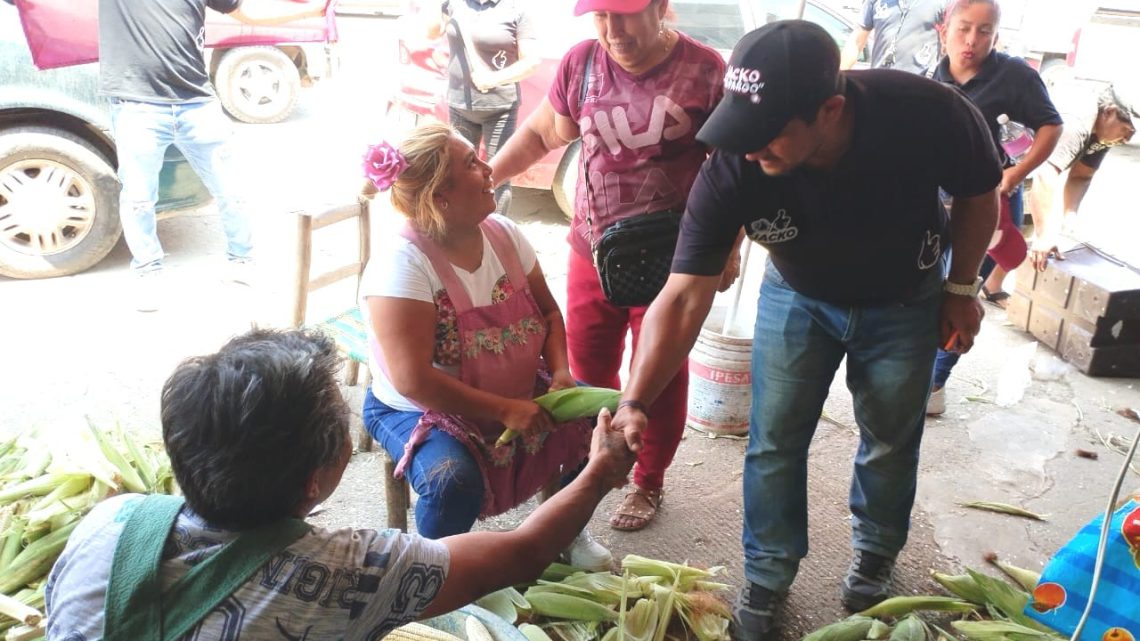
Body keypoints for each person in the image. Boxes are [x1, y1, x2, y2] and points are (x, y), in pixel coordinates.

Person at [607, 20, 1001, 638]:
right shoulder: (735, 164)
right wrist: (636, 400)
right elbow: (683, 296)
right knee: (773, 442)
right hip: (798, 296)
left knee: (892, 439)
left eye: (765, 136)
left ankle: (875, 556)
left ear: (830, 109)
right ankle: (766, 578)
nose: (749, 150)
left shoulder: (927, 113)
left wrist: (961, 289)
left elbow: (981, 194)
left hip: (905, 297)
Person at [44, 328, 636, 640]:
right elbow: (525, 552)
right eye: (341, 424)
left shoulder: (108, 523)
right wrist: (599, 473)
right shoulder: (342, 576)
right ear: (314, 484)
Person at [489, 0, 731, 532]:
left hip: (673, 257)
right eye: (600, 16)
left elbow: (731, 169)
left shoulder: (705, 70)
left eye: (624, 14)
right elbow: (542, 134)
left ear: (662, 7)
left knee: (659, 372)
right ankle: (594, 463)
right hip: (593, 247)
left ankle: (648, 480)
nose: (612, 30)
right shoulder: (582, 64)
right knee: (588, 366)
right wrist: (486, 179)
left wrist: (727, 248)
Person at [359, 123, 612, 570]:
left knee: (596, 423)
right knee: (452, 480)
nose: (487, 169)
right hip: (415, 406)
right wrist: (505, 410)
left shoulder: (504, 235)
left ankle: (568, 532)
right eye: (471, 164)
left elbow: (551, 316)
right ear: (441, 197)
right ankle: (434, 573)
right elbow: (413, 379)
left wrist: (559, 374)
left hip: (512, 384)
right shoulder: (401, 266)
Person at [99, 0, 326, 311]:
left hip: (196, 103)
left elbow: (248, 14)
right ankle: (147, 272)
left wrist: (311, 11)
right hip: (138, 106)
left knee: (231, 192)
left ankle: (241, 261)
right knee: (138, 199)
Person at [925, 0, 1062, 416]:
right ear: (944, 29)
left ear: (996, 36)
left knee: (962, 293)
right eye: (964, 28)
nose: (972, 40)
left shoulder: (1015, 75)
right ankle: (917, 373)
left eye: (984, 31)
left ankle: (934, 382)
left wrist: (1015, 174)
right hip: (935, 204)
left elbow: (1051, 125)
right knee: (927, 292)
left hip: (991, 204)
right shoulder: (932, 74)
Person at [427, 0, 539, 210]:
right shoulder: (454, 3)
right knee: (458, 174)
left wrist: (493, 79)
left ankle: (496, 231)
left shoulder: (514, 10)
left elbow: (532, 62)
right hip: (459, 105)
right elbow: (432, 32)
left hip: (500, 109)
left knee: (498, 176)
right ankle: (465, 225)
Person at [1027, 80, 1137, 271]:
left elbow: (1081, 176)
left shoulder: (1104, 131)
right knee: (1006, 238)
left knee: (1031, 241)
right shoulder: (1075, 125)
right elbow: (1045, 174)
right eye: (1126, 130)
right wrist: (1044, 234)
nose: (1126, 140)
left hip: (1027, 165)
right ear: (1109, 112)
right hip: (1004, 159)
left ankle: (991, 287)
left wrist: (1069, 217)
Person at [841, 0, 944, 76]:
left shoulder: (942, 4)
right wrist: (838, 77)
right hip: (878, 84)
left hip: (919, 88)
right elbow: (856, 42)